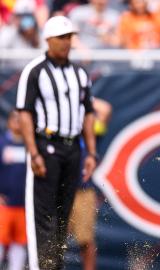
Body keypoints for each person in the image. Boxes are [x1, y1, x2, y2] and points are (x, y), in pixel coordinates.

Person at [15, 15, 97, 270]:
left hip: (72, 148)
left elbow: (88, 112)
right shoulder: (35, 70)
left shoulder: (80, 73)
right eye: (61, 38)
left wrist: (91, 153)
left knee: (63, 212)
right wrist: (34, 153)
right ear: (48, 40)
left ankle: (55, 265)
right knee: (43, 213)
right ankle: (41, 266)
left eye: (69, 37)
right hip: (46, 147)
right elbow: (24, 112)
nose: (66, 43)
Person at [69, 98, 111, 270]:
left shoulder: (90, 131)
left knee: (85, 240)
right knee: (52, 239)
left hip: (82, 191)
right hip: (57, 191)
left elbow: (105, 108)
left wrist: (80, 95)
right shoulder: (55, 130)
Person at [0, 111, 27, 270]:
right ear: (8, 121)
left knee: (19, 244)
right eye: (14, 118)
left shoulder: (31, 147)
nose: (17, 122)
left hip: (23, 206)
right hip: (4, 205)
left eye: (21, 119)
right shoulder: (2, 143)